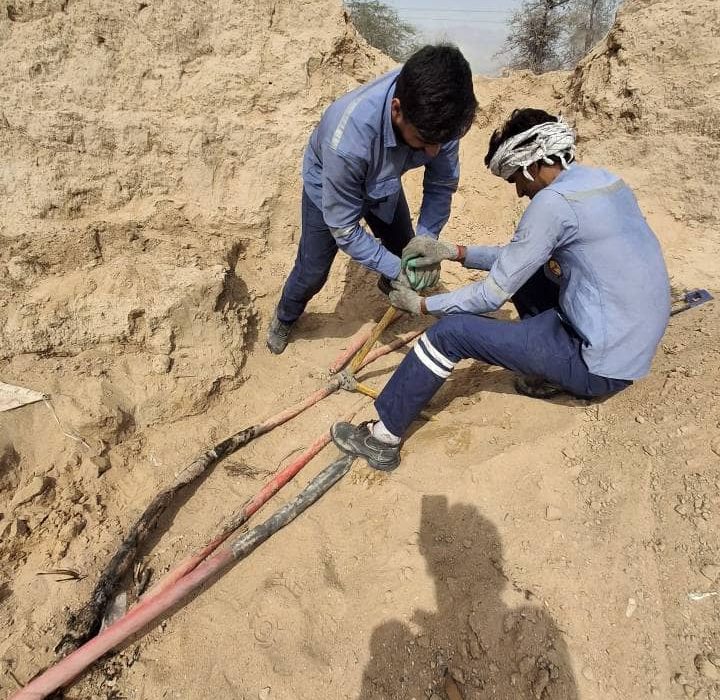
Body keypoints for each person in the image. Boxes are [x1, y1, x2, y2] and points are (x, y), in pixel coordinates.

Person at [331, 108, 671, 471]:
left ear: (529, 167)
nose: (520, 191)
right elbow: (519, 259)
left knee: (449, 333)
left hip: (600, 367)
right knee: (531, 272)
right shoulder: (602, 181)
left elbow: (490, 296)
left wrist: (421, 306)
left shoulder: (551, 204)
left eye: (516, 180)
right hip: (630, 342)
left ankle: (382, 437)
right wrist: (456, 253)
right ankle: (547, 372)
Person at [266, 44, 477, 354]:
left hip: (384, 182)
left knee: (409, 250)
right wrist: (396, 268)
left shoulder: (439, 115)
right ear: (396, 110)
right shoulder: (348, 141)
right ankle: (285, 316)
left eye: (441, 142)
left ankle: (389, 281)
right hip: (330, 184)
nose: (434, 152)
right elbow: (345, 229)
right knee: (312, 271)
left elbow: (441, 183)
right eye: (425, 142)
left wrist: (426, 239)